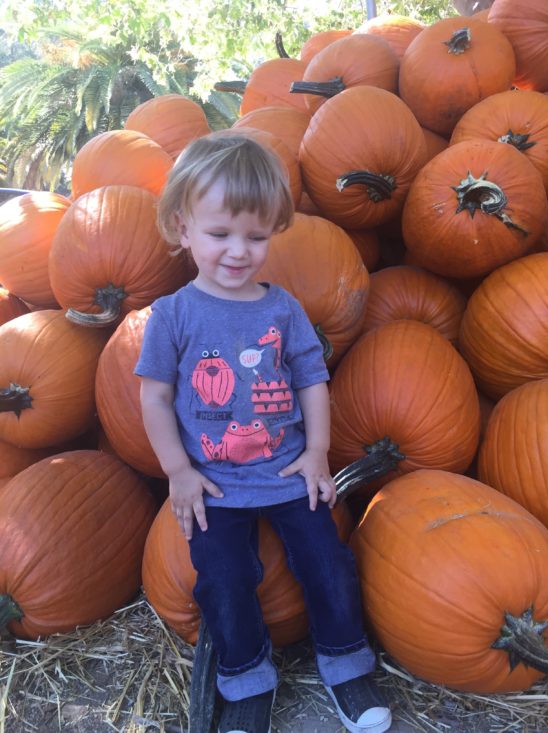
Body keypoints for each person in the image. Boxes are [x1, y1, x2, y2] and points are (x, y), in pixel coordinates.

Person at [135, 131, 392, 733]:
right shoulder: (173, 315)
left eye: (255, 236)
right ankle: (247, 676)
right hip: (216, 482)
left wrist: (318, 454)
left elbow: (310, 380)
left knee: (327, 561)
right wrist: (179, 472)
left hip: (285, 469)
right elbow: (156, 395)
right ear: (182, 227)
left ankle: (346, 663)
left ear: (274, 230)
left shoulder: (283, 309)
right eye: (220, 234)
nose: (238, 251)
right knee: (222, 579)